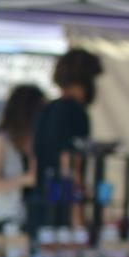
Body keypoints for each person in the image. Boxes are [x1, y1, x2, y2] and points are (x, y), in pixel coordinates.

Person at [28, 48, 104, 235]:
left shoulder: (46, 110)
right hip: (60, 207)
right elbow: (69, 162)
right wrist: (77, 216)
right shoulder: (75, 112)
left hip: (40, 202)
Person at [0, 84, 46, 232]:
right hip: (4, 222)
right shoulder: (2, 141)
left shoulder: (29, 142)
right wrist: (26, 179)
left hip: (27, 221)